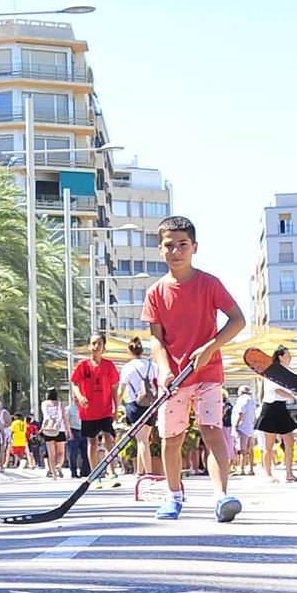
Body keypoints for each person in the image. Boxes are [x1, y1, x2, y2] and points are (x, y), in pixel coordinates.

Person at [141, 215, 246, 523]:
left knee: (212, 432)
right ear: (160, 249)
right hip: (174, 380)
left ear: (194, 247)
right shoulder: (155, 293)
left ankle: (221, 496)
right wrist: (164, 370)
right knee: (171, 439)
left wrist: (209, 348)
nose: (176, 251)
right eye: (169, 246)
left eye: (182, 245)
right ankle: (173, 496)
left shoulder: (210, 284)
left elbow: (237, 320)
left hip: (208, 374)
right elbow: (156, 340)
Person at [71, 334, 121, 488]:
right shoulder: (83, 366)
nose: (96, 346)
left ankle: (112, 473)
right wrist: (80, 397)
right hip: (88, 411)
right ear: (88, 346)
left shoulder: (109, 366)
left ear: (103, 346)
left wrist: (116, 407)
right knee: (92, 442)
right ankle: (95, 476)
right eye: (93, 343)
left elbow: (114, 387)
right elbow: (74, 383)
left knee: (108, 440)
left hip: (105, 409)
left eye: (99, 343)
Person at [255, 346, 297, 482]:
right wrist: (294, 396)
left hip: (282, 407)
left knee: (290, 442)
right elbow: (277, 391)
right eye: (288, 355)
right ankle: (268, 474)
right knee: (269, 445)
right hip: (270, 407)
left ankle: (289, 473)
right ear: (280, 357)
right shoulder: (272, 371)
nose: (290, 358)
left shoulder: (287, 372)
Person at [117, 336, 159, 478]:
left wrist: (116, 407)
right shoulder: (151, 365)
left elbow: (120, 390)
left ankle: (147, 473)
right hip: (150, 404)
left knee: (142, 440)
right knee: (143, 438)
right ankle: (140, 472)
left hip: (134, 404)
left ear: (130, 351)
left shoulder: (128, 367)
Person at [38, 389, 68, 477]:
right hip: (60, 429)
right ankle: (59, 465)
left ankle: (54, 474)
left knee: (51, 453)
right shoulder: (60, 404)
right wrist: (68, 430)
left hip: (48, 429)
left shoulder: (44, 404)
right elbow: (65, 418)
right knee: (61, 452)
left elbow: (44, 415)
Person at [232, 386, 260, 476]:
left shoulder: (241, 400)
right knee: (250, 449)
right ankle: (251, 468)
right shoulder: (251, 400)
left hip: (242, 427)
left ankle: (241, 469)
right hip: (250, 427)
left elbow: (241, 413)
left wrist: (236, 424)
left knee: (242, 450)